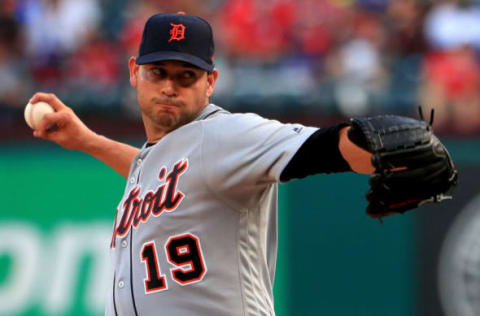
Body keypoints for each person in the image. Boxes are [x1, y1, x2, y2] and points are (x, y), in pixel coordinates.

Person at [28, 13, 395, 316]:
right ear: (133, 72)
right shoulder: (167, 158)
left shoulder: (226, 135)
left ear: (210, 83)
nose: (170, 86)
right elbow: (165, 172)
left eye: (186, 76)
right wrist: (86, 141)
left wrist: (389, 154)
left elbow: (322, 147)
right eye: (158, 72)